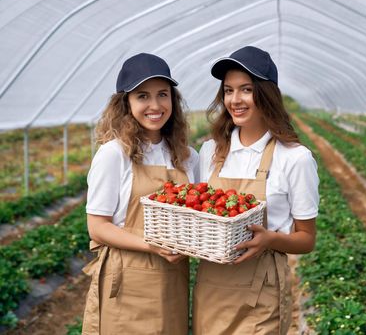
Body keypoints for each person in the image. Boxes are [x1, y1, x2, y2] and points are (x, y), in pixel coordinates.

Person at [192, 46, 319, 334]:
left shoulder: (295, 158)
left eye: (246, 90)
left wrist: (270, 239)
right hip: (211, 287)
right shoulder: (211, 151)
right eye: (228, 90)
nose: (235, 100)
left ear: (266, 94)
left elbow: (306, 239)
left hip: (261, 292)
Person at [81, 53, 199, 334]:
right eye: (143, 96)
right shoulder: (114, 154)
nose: (155, 105)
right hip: (127, 280)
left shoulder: (186, 156)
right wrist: (153, 244)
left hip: (172, 278)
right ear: (126, 103)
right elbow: (97, 227)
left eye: (163, 94)